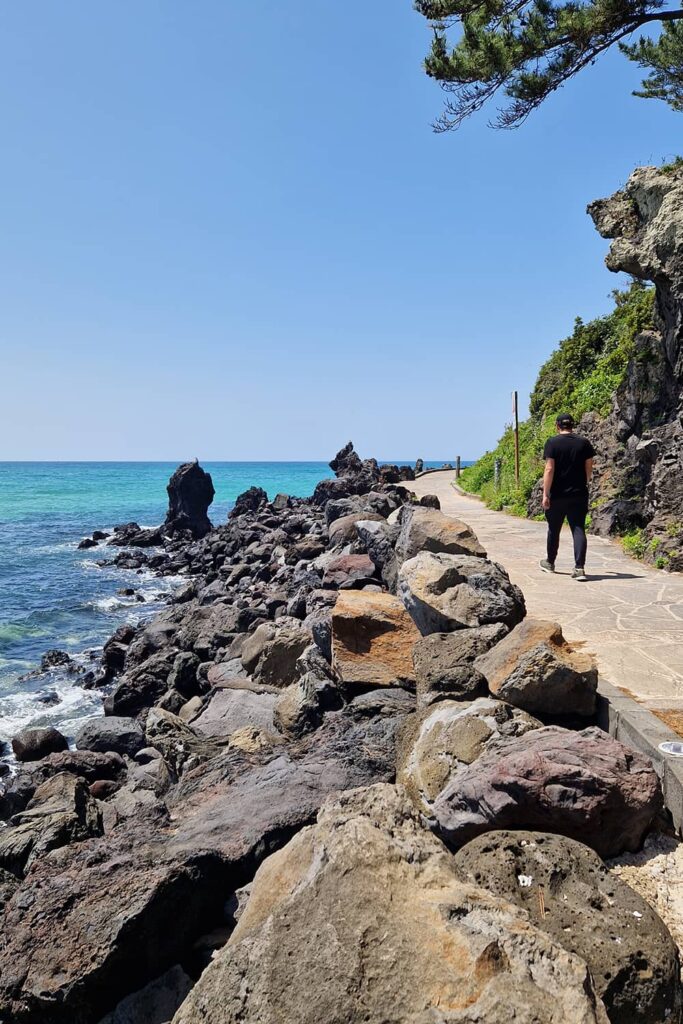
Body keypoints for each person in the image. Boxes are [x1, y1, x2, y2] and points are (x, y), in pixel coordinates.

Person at [539, 413, 595, 581]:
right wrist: (584, 482)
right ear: (572, 425)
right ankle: (579, 568)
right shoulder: (584, 443)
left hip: (557, 494)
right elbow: (589, 467)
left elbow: (549, 469)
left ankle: (550, 562)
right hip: (578, 493)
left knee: (554, 528)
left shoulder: (552, 443)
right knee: (578, 528)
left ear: (557, 425)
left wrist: (545, 493)